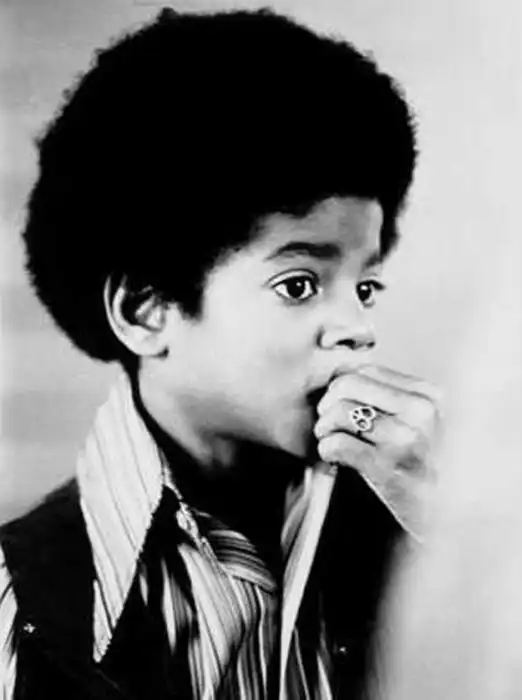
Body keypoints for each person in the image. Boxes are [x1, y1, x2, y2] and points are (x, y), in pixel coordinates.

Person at [0, 7, 440, 699]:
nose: (357, 327)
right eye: (299, 284)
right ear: (145, 311)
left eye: (366, 287)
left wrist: (451, 530)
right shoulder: (19, 596)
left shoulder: (418, 523)